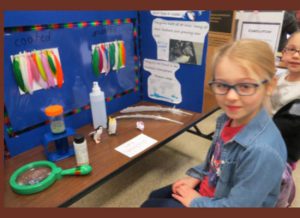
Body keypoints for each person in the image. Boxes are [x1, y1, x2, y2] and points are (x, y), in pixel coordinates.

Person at [141, 39, 287, 207]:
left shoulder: (262, 152)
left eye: (246, 86)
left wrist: (195, 202)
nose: (231, 96)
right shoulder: (227, 120)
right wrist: (196, 175)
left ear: (270, 86)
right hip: (212, 188)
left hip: (221, 204)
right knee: (155, 197)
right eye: (222, 85)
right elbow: (216, 162)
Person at [269, 31, 300, 169]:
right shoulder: (281, 76)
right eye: (292, 49)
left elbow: (287, 127)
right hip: (265, 136)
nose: (296, 55)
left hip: (283, 151)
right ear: (284, 52)